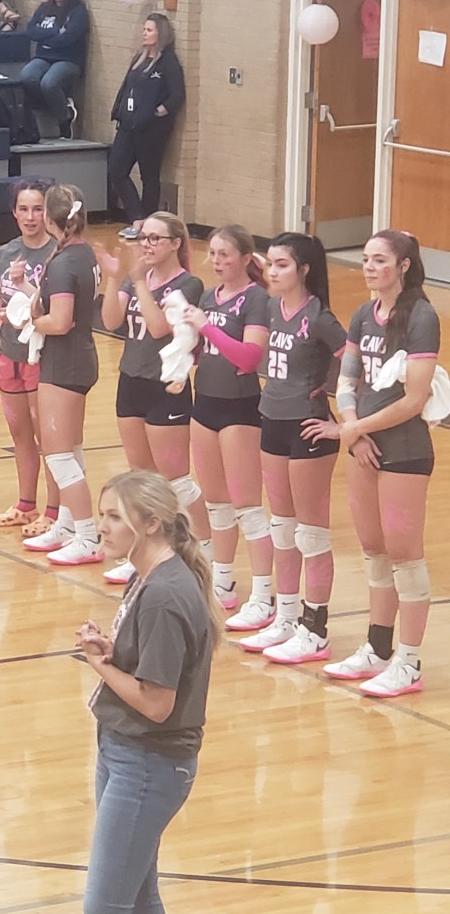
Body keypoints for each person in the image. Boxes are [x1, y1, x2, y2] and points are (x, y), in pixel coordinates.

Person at [78, 470, 217, 914]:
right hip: (126, 753)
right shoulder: (149, 576)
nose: (102, 526)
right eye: (103, 514)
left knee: (105, 912)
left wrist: (102, 668)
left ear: (152, 523)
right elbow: (157, 664)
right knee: (136, 897)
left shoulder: (163, 593)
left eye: (115, 517)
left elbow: (158, 704)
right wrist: (117, 653)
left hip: (147, 763)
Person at [303, 230, 439, 697]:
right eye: (364, 259)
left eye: (379, 260)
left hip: (404, 450)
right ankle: (377, 650)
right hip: (363, 446)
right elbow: (346, 382)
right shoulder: (363, 314)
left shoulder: (421, 316)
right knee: (373, 549)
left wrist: (354, 428)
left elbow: (415, 399)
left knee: (404, 554)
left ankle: (410, 662)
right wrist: (354, 429)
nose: (368, 267)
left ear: (403, 266)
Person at [239, 233, 346, 662]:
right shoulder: (271, 306)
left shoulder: (320, 316)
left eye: (282, 264)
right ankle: (285, 618)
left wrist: (341, 413)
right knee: (282, 527)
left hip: (308, 427)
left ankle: (315, 630)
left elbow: (353, 360)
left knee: (310, 534)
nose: (273, 271)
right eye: (271, 263)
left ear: (304, 269)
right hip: (272, 420)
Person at [99, 211, 209, 585]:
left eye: (154, 238)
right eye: (142, 237)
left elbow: (160, 327)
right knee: (141, 479)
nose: (145, 244)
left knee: (175, 481)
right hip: (131, 380)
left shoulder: (188, 284)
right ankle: (145, 555)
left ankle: (205, 552)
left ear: (175, 243)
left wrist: (137, 282)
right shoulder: (137, 278)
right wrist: (114, 278)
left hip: (167, 386)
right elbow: (110, 321)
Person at [180, 225, 275, 632]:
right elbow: (206, 351)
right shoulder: (208, 295)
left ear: (245, 258)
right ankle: (222, 582)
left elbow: (249, 357)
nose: (217, 261)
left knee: (247, 507)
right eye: (213, 254)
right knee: (217, 503)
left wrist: (206, 327)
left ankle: (264, 596)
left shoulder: (256, 299)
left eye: (225, 254)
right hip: (205, 403)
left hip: (240, 407)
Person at [19, 184, 102, 564]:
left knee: (58, 455)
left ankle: (87, 536)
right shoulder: (84, 253)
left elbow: (61, 321)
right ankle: (67, 526)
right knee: (71, 449)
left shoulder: (65, 261)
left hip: (64, 364)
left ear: (51, 220)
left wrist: (29, 321)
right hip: (79, 358)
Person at [0, 180, 59, 534]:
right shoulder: (6, 252)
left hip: (41, 356)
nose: (31, 217)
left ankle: (55, 511)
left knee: (49, 437)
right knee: (20, 433)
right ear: (14, 212)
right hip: (9, 352)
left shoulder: (58, 253)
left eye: (38, 209)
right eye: (24, 209)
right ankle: (26, 505)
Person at [109, 13, 185, 240]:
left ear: (161, 33)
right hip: (128, 124)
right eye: (144, 29)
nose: (145, 33)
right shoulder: (139, 58)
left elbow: (177, 95)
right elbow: (127, 87)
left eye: (150, 30)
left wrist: (157, 112)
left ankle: (150, 224)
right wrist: (119, 110)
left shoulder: (168, 62)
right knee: (116, 170)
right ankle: (137, 217)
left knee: (149, 176)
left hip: (152, 129)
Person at [21, 0, 88, 140]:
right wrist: (54, 31)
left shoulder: (78, 12)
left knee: (49, 82)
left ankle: (65, 120)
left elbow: (69, 38)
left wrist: (45, 38)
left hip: (68, 60)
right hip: (43, 57)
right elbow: (31, 31)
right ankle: (57, 104)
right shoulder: (44, 8)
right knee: (27, 76)